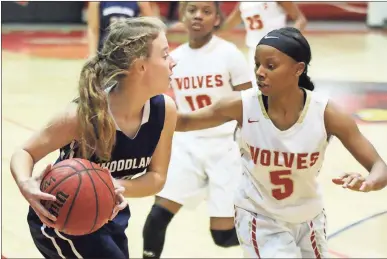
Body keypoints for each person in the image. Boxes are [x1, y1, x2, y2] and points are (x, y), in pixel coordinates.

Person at [174, 27, 387, 258]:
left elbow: (379, 166)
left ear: (299, 69)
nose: (260, 72)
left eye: (270, 65)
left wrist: (369, 182)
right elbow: (184, 122)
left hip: (309, 219)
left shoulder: (326, 112)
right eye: (257, 64)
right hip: (259, 218)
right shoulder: (243, 105)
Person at [10, 17, 177, 259]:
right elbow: (25, 152)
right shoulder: (83, 115)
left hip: (109, 217)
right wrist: (26, 184)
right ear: (141, 66)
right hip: (63, 221)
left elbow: (157, 177)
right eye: (165, 55)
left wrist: (114, 186)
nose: (173, 62)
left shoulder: (165, 110)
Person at [142, 2, 252, 258]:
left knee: (223, 237)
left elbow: (249, 105)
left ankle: (273, 238)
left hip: (226, 148)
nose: (198, 16)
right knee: (157, 217)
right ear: (182, 16)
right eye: (192, 10)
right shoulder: (175, 58)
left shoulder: (229, 54)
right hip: (187, 146)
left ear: (216, 19)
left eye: (206, 11)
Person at [222, 2, 307, 88]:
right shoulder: (243, 4)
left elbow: (300, 19)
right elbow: (226, 27)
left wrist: (289, 39)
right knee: (258, 90)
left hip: (278, 49)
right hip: (255, 52)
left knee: (282, 88)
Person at [87, 1, 156, 56]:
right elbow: (93, 30)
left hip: (129, 51)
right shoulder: (96, 2)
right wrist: (92, 54)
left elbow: (151, 27)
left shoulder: (140, 2)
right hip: (105, 50)